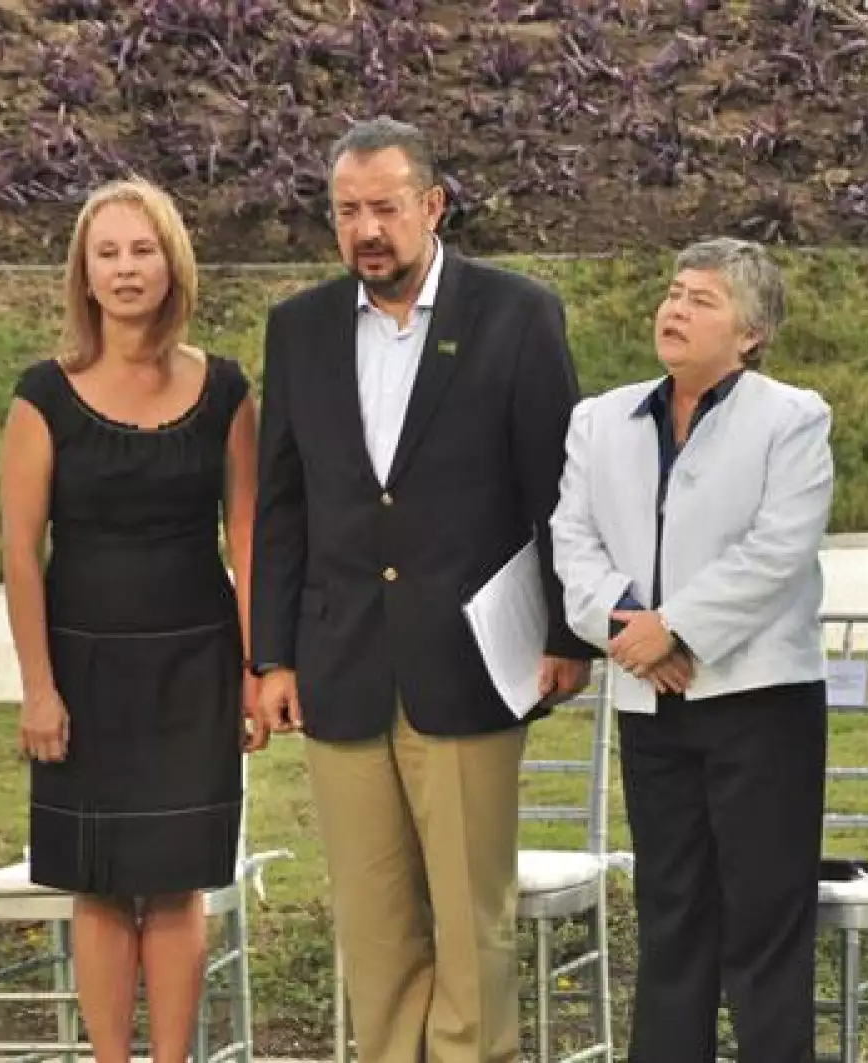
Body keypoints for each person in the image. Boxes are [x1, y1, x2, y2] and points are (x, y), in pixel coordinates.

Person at [249, 118, 594, 1063]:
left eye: (386, 208)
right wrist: (271, 654)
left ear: (433, 206)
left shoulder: (518, 314)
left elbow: (557, 488)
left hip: (470, 665)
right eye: (348, 210)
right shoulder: (300, 327)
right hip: (340, 666)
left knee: (471, 921)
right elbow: (283, 506)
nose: (367, 229)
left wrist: (567, 633)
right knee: (374, 922)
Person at [0, 177, 267, 1063]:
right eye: (107, 252)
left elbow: (249, 539)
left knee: (179, 881)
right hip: (84, 673)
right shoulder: (44, 395)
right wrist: (38, 686)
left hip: (195, 667)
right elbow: (19, 556)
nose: (124, 268)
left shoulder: (225, 389)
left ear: (171, 262)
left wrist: (255, 670)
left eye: (141, 249)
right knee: (103, 886)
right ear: (83, 272)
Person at [550, 237, 834, 1062]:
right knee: (670, 914)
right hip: (651, 701)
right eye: (673, 293)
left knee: (765, 919)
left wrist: (676, 627)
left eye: (701, 300)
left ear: (751, 333)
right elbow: (573, 541)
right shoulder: (599, 419)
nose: (674, 311)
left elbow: (778, 550)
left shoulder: (793, 417)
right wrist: (632, 626)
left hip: (761, 703)